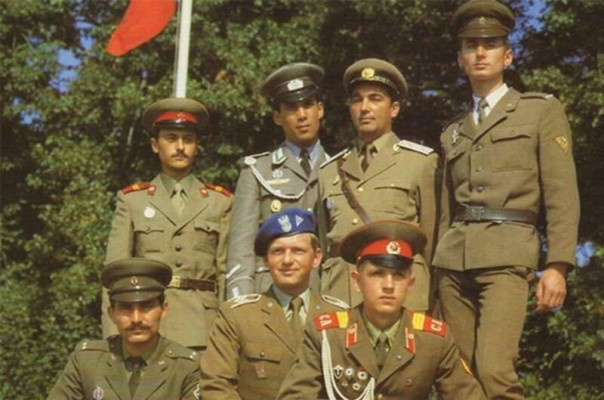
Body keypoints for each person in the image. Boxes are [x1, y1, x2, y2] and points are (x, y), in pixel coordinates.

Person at [433, 0, 580, 398]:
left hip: (508, 256)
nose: (480, 52)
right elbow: (445, 211)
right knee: (457, 376)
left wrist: (558, 266)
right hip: (453, 262)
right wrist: (433, 277)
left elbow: (562, 193)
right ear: (460, 59)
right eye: (471, 45)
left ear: (508, 55)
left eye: (491, 44)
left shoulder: (539, 111)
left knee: (495, 370)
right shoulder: (453, 131)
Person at [276, 221, 486, 399]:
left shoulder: (433, 339)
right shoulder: (327, 335)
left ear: (410, 283)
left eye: (398, 276)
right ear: (356, 281)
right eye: (377, 274)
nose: (389, 285)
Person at [102, 97, 233, 350]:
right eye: (171, 139)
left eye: (188, 139)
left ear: (197, 146)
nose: (180, 147)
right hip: (147, 326)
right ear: (155, 145)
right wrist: (113, 337)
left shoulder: (220, 201)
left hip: (204, 328)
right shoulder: (133, 201)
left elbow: (226, 274)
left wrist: (229, 334)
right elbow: (114, 275)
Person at [318, 58, 439, 311]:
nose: (364, 108)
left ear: (394, 109)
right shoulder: (329, 171)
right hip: (340, 294)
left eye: (375, 99)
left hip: (399, 293)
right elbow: (324, 243)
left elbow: (432, 244)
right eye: (357, 100)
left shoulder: (420, 162)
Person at [200, 208, 348, 399]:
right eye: (278, 251)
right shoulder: (237, 316)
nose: (287, 260)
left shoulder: (341, 317)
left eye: (298, 251)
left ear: (316, 257)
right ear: (266, 260)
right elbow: (216, 385)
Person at [226, 63, 329, 299]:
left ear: (320, 109)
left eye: (308, 105)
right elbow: (241, 249)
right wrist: (241, 305)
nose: (302, 115)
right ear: (277, 117)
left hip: (324, 294)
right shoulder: (257, 170)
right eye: (292, 108)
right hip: (269, 294)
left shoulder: (340, 169)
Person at [48, 258, 201, 399]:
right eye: (126, 308)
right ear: (111, 313)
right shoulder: (86, 362)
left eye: (146, 306)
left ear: (164, 309)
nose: (136, 319)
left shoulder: (185, 368)